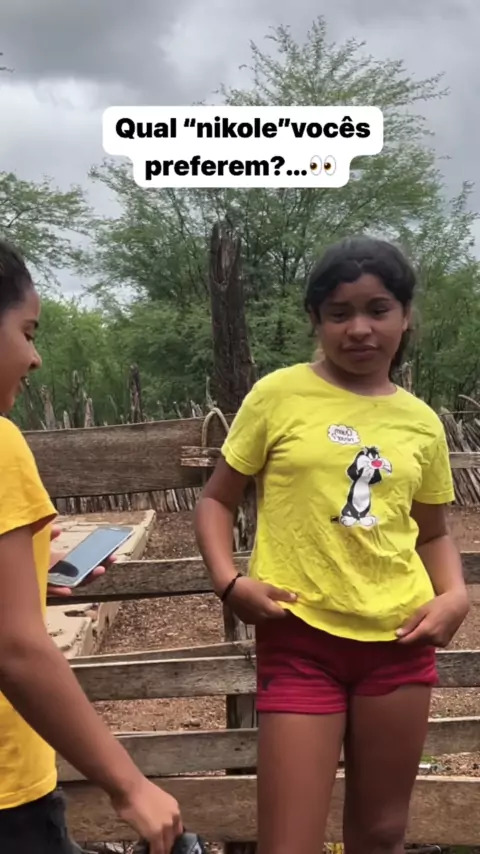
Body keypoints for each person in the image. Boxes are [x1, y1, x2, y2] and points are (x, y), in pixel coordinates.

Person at [194, 236, 469, 854]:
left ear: (405, 316)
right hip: (300, 639)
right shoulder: (277, 396)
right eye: (339, 313)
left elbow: (432, 532)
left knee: (381, 832)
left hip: (400, 644)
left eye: (378, 309)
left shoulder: (421, 423)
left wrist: (454, 595)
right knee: (288, 842)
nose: (360, 328)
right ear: (315, 319)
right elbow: (216, 500)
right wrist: (229, 582)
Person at [0, 239, 182, 854]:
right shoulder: (1, 445)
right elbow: (15, 648)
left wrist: (25, 575)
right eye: (27, 332)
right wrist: (129, 785)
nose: (35, 357)